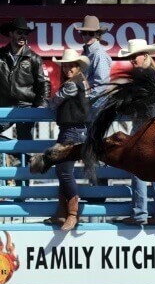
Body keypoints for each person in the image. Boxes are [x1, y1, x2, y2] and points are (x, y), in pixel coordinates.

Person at [116, 39, 155, 226]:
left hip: (144, 124)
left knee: (137, 168)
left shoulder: (144, 76)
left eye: (135, 56)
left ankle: (140, 213)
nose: (133, 60)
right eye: (131, 57)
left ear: (145, 56)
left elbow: (137, 101)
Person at [46, 49, 90, 231]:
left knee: (64, 170)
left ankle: (72, 213)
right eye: (66, 66)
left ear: (78, 66)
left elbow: (54, 103)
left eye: (72, 65)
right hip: (74, 130)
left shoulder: (72, 85)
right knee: (61, 170)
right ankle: (62, 212)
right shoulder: (82, 82)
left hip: (71, 131)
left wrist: (52, 98)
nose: (68, 69)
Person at [0, 17, 51, 164]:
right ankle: (20, 155)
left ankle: (25, 174)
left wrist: (40, 107)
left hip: (26, 107)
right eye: (19, 32)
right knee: (23, 150)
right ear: (10, 34)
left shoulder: (34, 58)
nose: (23, 36)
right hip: (4, 107)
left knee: (26, 144)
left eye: (25, 33)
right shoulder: (1, 55)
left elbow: (44, 83)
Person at [75, 15, 112, 202]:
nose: (86, 36)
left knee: (96, 150)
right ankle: (97, 191)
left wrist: (84, 99)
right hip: (91, 109)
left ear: (97, 35)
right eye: (84, 33)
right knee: (93, 151)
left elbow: (102, 86)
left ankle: (99, 193)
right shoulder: (89, 53)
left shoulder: (97, 54)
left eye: (90, 33)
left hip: (96, 109)